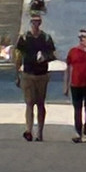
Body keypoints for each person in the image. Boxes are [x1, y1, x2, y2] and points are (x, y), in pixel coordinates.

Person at [14, 13, 56, 141]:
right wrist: (17, 74)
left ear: (40, 23)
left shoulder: (46, 38)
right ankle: (29, 130)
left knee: (40, 103)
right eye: (33, 22)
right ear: (30, 23)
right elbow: (18, 56)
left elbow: (53, 55)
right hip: (28, 74)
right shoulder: (24, 38)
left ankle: (40, 132)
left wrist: (45, 57)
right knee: (29, 102)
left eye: (37, 22)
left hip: (42, 75)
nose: (35, 24)